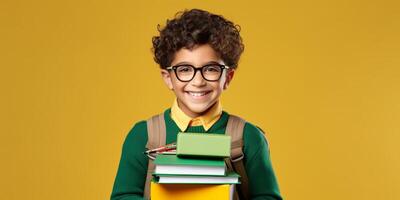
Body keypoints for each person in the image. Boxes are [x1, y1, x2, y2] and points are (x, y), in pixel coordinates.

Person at [111, 8, 282, 200]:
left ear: (228, 77)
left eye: (210, 69)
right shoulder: (143, 136)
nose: (198, 81)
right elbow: (123, 196)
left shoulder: (248, 138)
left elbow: (268, 196)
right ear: (168, 78)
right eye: (184, 69)